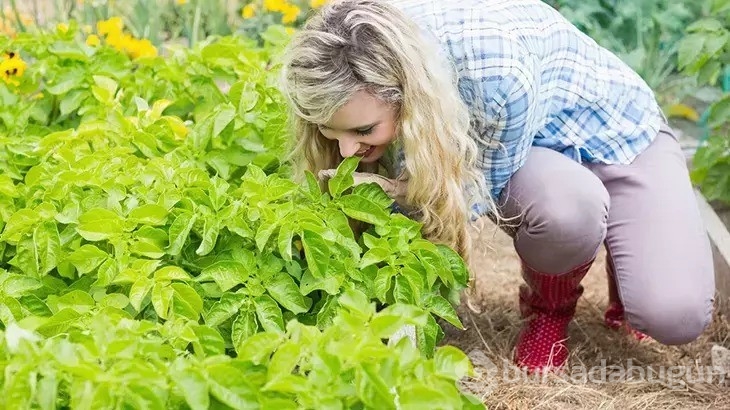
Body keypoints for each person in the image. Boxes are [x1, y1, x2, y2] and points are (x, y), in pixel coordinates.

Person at [278, 0, 716, 374]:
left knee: (675, 315)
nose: (348, 148)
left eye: (363, 129)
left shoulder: (495, 76)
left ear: (402, 92)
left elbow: (454, 203)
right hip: (538, 154)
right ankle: (551, 307)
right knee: (568, 210)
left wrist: (396, 196)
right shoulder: (355, 43)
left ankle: (627, 255)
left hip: (617, 138)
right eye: (334, 133)